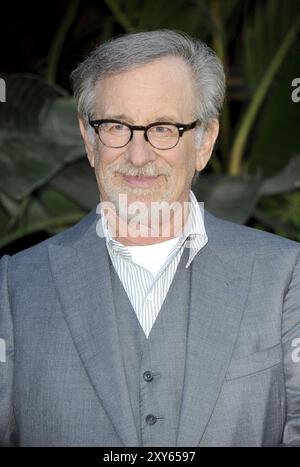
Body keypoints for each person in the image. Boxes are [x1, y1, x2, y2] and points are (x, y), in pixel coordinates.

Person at [0, 30, 299, 447]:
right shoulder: (15, 286)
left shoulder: (285, 275)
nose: (138, 156)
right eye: (117, 126)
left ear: (204, 142)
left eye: (163, 128)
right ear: (89, 140)